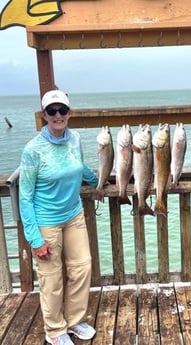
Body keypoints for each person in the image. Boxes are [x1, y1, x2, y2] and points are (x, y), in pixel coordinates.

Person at [19, 90, 103, 345]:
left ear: (69, 113)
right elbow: (25, 197)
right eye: (52, 111)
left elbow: (78, 167)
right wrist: (34, 239)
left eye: (62, 110)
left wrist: (99, 182)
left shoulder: (75, 138)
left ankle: (74, 320)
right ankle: (55, 329)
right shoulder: (32, 150)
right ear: (44, 115)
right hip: (46, 222)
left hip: (74, 215)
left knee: (82, 267)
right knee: (51, 278)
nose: (58, 115)